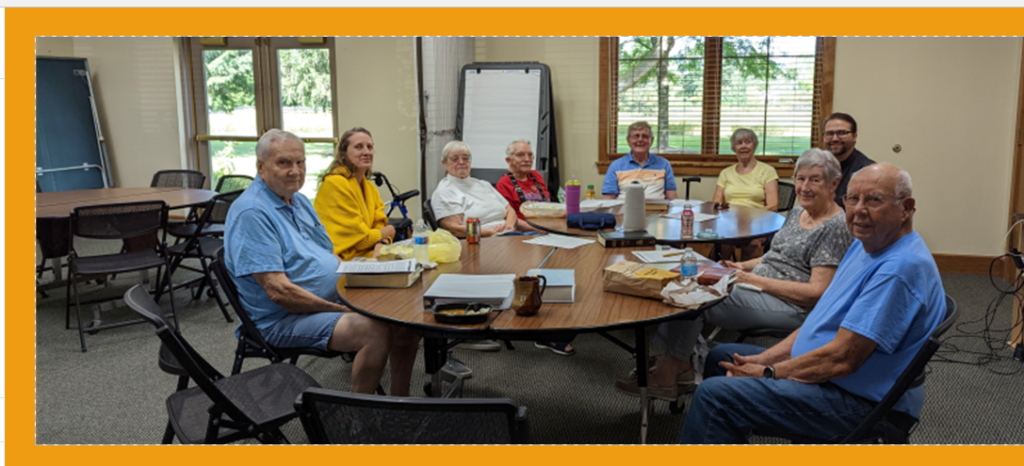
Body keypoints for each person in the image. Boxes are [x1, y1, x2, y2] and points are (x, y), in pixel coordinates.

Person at [679, 163, 946, 444]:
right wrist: (764, 360)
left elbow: (842, 359)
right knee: (720, 357)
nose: (859, 210)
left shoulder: (898, 269)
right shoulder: (864, 245)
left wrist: (769, 373)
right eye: (852, 199)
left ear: (906, 208)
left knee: (714, 397)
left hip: (862, 403)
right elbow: (819, 319)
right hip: (833, 374)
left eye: (874, 200)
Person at [615, 148, 855, 400]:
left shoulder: (835, 227)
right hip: (758, 286)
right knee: (686, 277)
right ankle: (679, 366)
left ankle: (667, 375)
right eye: (801, 179)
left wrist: (752, 279)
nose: (804, 187)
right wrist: (742, 266)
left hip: (791, 306)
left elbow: (816, 292)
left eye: (814, 180)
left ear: (834, 184)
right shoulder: (798, 213)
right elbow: (776, 256)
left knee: (694, 296)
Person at [224, 129, 419, 396]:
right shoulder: (252, 213)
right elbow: (278, 291)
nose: (295, 171)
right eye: (284, 162)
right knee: (374, 331)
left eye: (300, 162)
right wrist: (341, 309)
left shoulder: (299, 201)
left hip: (332, 298)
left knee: (403, 316)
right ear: (261, 167)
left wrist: (362, 276)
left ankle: (400, 402)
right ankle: (359, 414)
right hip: (282, 319)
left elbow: (329, 253)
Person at [313, 127, 395, 261]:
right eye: (358, 147)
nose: (366, 152)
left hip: (367, 256)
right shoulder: (335, 184)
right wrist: (389, 230)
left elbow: (379, 224)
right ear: (344, 153)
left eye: (369, 147)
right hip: (339, 261)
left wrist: (382, 243)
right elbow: (360, 240)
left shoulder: (369, 187)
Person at [433, 140, 522, 238]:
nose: (461, 162)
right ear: (444, 163)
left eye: (465, 158)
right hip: (481, 240)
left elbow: (510, 211)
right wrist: (492, 233)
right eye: (455, 159)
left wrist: (508, 227)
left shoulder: (483, 184)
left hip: (508, 235)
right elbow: (455, 229)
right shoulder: (445, 192)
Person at [601, 121, 678, 200]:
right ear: (628, 140)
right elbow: (608, 200)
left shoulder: (664, 164)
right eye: (636, 136)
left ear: (651, 140)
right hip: (624, 208)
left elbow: (672, 199)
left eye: (645, 136)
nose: (640, 139)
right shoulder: (616, 166)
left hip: (657, 208)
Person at [711, 128, 779, 211]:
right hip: (729, 216)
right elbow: (715, 204)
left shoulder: (768, 171)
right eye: (739, 143)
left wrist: (750, 216)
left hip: (756, 216)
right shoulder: (725, 173)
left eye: (748, 142)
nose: (743, 146)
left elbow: (773, 206)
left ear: (754, 146)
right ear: (734, 148)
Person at [822, 112, 875, 208]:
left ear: (854, 136)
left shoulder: (867, 171)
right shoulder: (818, 166)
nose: (834, 139)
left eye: (841, 133)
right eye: (829, 134)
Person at [495, 139, 547, 233]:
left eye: (530, 155)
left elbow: (547, 203)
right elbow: (509, 217)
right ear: (509, 160)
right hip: (524, 231)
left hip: (545, 225)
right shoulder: (504, 184)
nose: (527, 159)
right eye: (520, 155)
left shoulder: (537, 176)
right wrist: (538, 229)